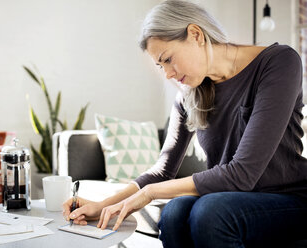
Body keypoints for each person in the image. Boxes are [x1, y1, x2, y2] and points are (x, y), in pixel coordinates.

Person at [63, 0, 307, 247]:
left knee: (211, 212)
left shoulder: (279, 62)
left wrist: (149, 194)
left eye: (168, 59)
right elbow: (162, 171)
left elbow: (243, 174)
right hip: (230, 198)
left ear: (195, 35)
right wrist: (103, 205)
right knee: (174, 212)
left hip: (288, 199)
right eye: (161, 66)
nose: (167, 74)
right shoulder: (189, 94)